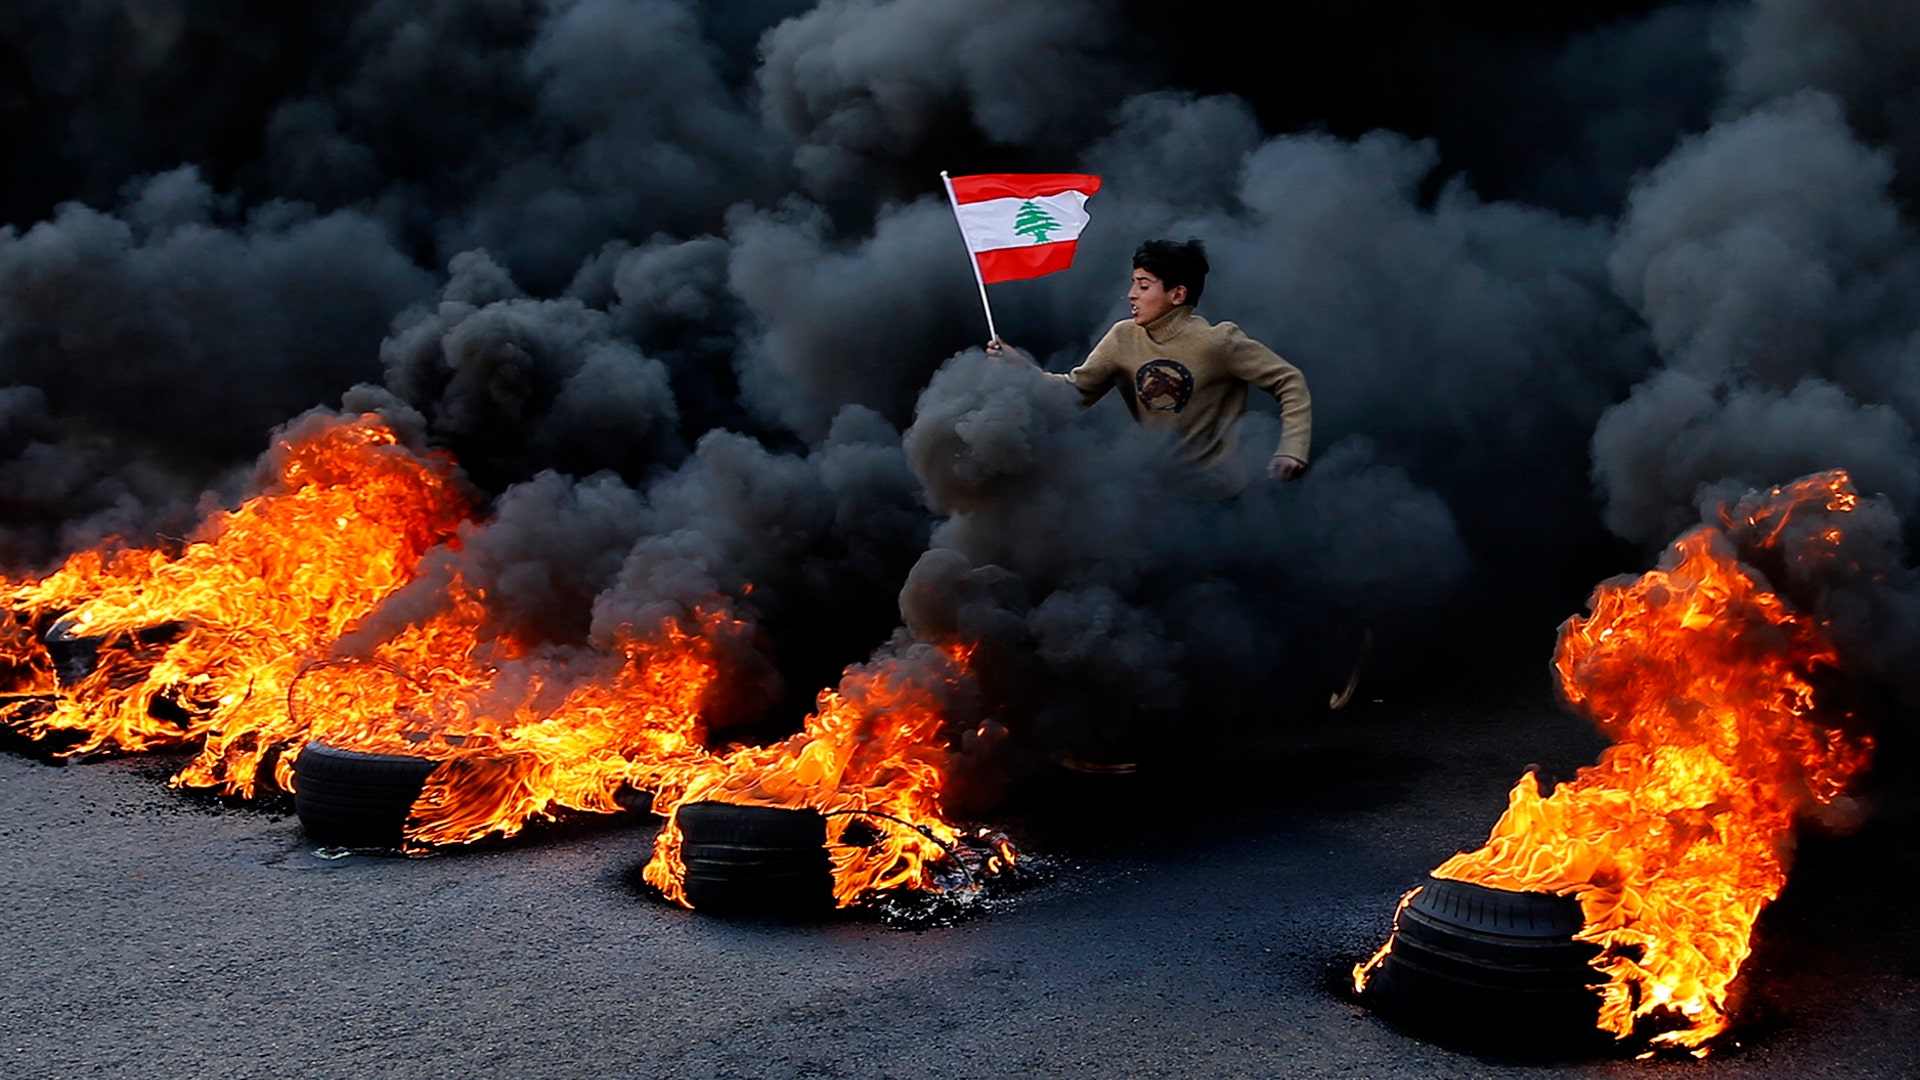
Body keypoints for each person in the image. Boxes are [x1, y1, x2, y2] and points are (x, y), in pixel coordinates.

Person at [991, 237, 1311, 488]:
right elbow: (1074, 394)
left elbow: (1289, 381)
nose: (1131, 294)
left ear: (1177, 294)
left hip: (1219, 495)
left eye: (1143, 286)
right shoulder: (1123, 338)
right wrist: (1023, 369)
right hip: (1156, 492)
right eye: (1133, 283)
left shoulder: (1219, 341)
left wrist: (1292, 448)